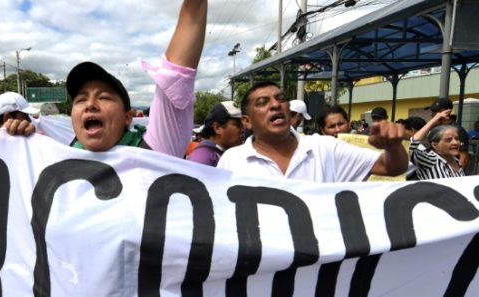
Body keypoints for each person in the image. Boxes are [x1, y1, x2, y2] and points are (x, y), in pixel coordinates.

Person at [4, 0, 207, 158]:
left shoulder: (156, 151)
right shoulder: (62, 156)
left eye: (104, 97)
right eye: (80, 100)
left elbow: (175, 74)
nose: (90, 105)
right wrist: (19, 145)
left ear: (128, 117)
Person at [217, 81, 408, 181]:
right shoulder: (231, 160)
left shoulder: (326, 149)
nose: (275, 105)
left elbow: (392, 167)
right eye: (262, 102)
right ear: (247, 121)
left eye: (281, 99)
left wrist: (393, 147)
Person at [409, 108, 463, 179]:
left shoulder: (457, 161)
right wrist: (434, 120)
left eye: (456, 138)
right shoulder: (430, 160)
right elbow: (413, 144)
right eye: (448, 140)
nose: (455, 142)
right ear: (435, 145)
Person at [187, 101, 244, 166]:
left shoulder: (218, 153)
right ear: (217, 128)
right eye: (237, 125)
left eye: (243, 125)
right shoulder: (202, 158)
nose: (243, 130)